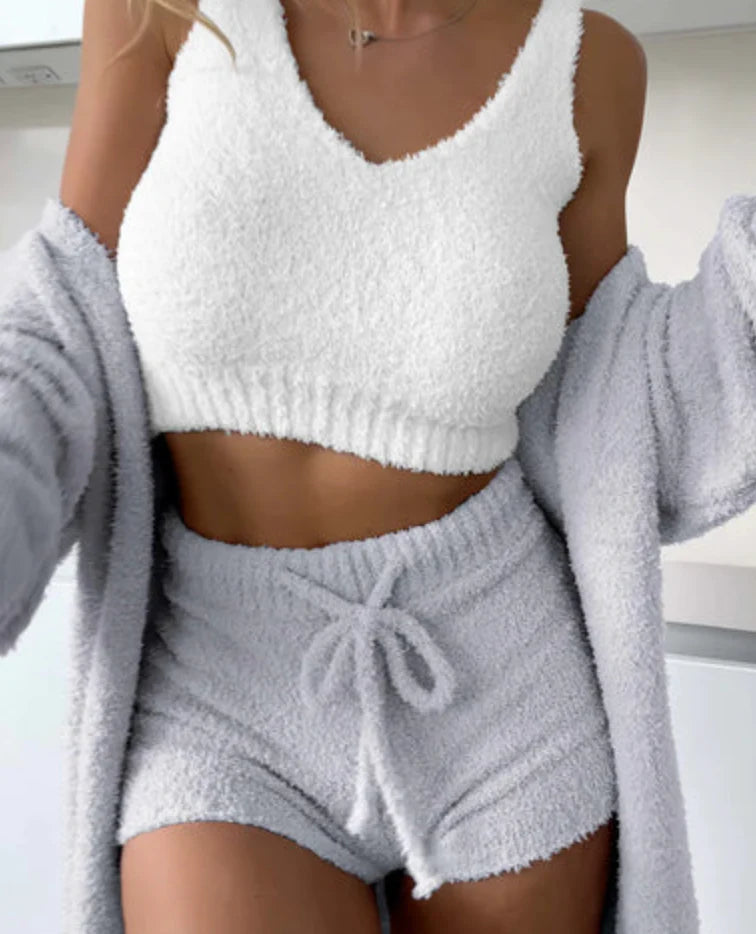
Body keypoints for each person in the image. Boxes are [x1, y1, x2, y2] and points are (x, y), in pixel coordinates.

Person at [55, 0, 647, 930]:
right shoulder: (158, 12)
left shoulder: (591, 60)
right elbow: (65, 305)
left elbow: (606, 393)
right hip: (223, 678)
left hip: (505, 686)